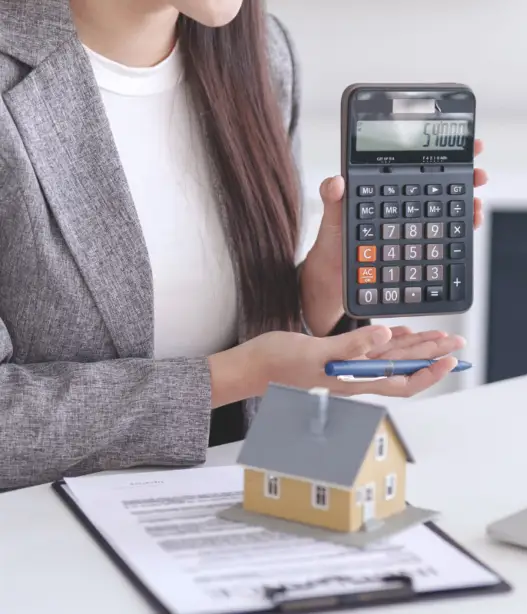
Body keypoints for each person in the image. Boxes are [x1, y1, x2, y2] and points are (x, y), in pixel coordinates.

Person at [0, 0, 488, 490]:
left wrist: (320, 295)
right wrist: (237, 375)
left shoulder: (262, 51)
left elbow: (258, 344)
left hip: (232, 503)